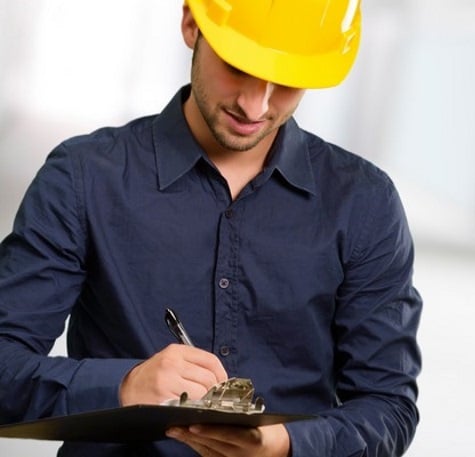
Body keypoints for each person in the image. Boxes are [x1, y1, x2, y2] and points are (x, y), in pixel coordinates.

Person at [0, 1, 422, 456]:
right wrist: (123, 387)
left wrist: (286, 447)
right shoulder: (83, 178)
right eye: (239, 67)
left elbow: (388, 408)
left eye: (287, 80)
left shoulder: (364, 202)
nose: (255, 104)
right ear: (190, 24)